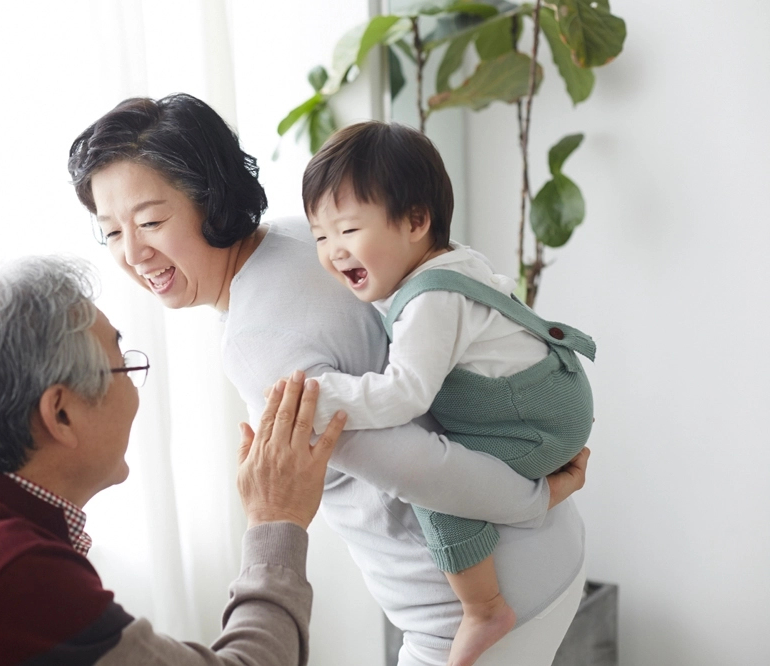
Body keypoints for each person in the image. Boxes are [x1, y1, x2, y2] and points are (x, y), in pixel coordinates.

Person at [68, 93, 591, 666]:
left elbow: (417, 464)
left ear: (210, 199)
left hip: (479, 609)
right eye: (111, 232)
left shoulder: (257, 342)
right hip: (541, 559)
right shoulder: (303, 240)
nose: (134, 252)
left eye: (150, 221)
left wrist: (534, 498)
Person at [0, 256, 346, 666]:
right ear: (60, 414)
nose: (136, 387)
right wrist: (275, 522)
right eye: (123, 365)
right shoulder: (10, 576)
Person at [301, 121, 596, 666]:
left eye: (346, 230)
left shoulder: (430, 302)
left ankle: (485, 609)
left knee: (439, 490)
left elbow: (405, 394)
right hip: (543, 396)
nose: (332, 252)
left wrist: (323, 394)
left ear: (416, 221)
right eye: (320, 237)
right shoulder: (443, 261)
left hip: (533, 420)